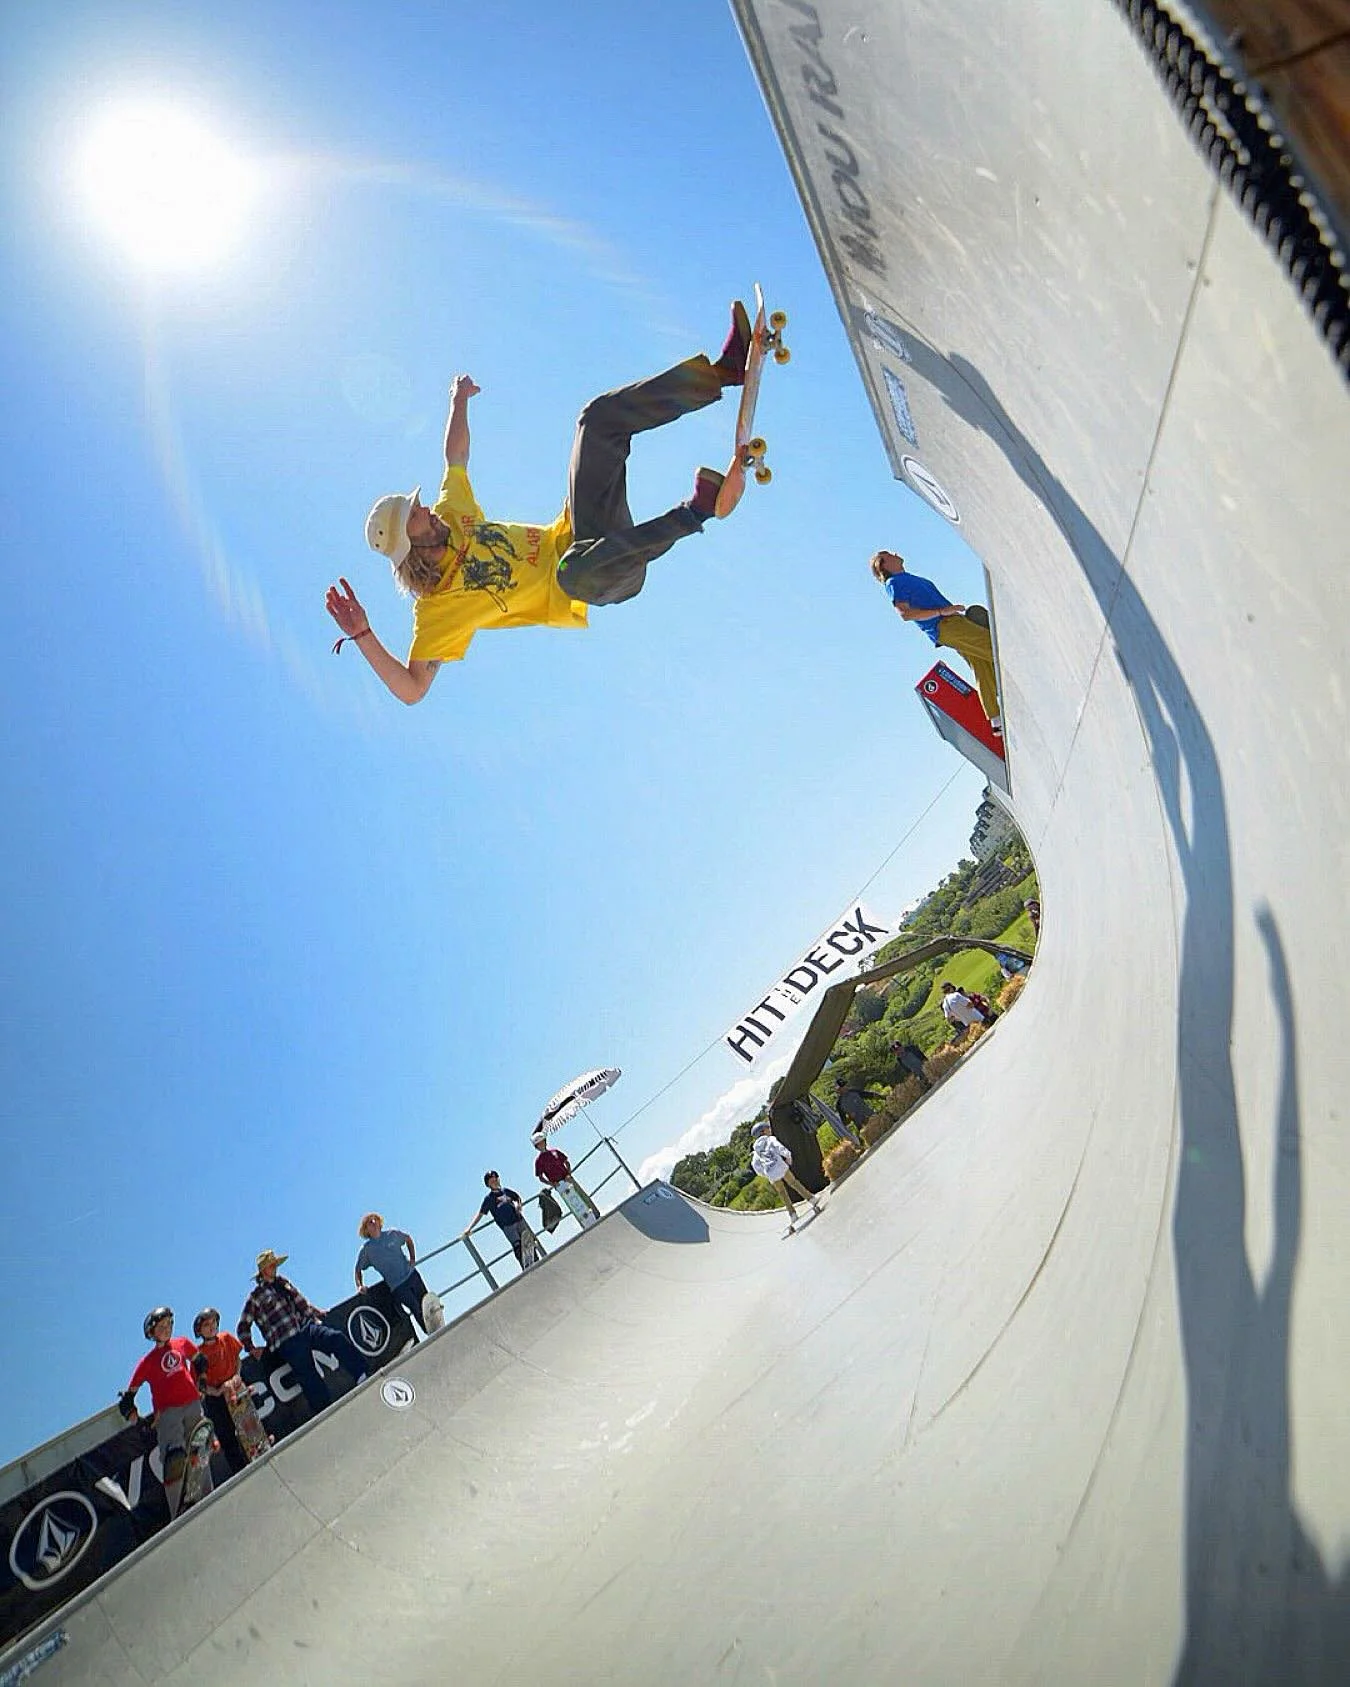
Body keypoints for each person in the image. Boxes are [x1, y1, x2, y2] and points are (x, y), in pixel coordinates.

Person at [324, 302, 757, 704]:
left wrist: (457, 402)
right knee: (572, 570)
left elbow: (456, 458)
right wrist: (363, 634)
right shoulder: (437, 612)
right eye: (415, 516)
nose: (427, 511)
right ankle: (700, 509)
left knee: (595, 420)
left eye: (418, 505)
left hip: (584, 526)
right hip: (601, 578)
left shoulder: (453, 516)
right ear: (409, 546)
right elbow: (412, 689)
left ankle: (721, 373)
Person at [870, 550, 1002, 730]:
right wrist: (942, 612)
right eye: (889, 554)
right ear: (884, 565)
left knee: (980, 664)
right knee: (993, 646)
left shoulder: (906, 578)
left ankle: (995, 719)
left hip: (951, 624)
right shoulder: (894, 582)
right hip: (946, 625)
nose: (894, 553)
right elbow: (905, 614)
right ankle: (1019, 667)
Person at [236, 1249, 370, 1420]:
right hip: (286, 1340)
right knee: (307, 1373)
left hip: (304, 1328)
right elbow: (243, 1326)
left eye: (275, 1264)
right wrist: (251, 1348)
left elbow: (301, 1302)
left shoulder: (283, 1283)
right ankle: (326, 1411)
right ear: (263, 1271)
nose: (274, 1267)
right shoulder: (256, 1297)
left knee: (334, 1337)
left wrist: (316, 1312)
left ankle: (361, 1373)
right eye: (271, 1265)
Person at [116, 1307, 213, 1515]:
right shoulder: (147, 1362)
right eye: (161, 1327)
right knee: (174, 1459)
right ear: (152, 1333)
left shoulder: (182, 1343)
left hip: (192, 1403)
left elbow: (201, 1362)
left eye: (169, 1325)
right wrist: (137, 1419)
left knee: (200, 1448)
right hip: (168, 1413)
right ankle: (177, 1509)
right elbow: (127, 1399)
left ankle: (207, 1493)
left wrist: (202, 1383)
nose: (166, 1329)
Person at [354, 1212, 434, 1335]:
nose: (374, 1223)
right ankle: (432, 1335)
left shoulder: (392, 1234)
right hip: (398, 1286)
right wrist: (360, 1285)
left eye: (375, 1220)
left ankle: (441, 1327)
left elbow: (408, 1239)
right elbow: (357, 1269)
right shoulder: (367, 1250)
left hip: (412, 1275)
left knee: (427, 1303)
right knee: (416, 1309)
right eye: (370, 1222)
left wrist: (412, 1258)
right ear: (366, 1229)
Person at [191, 1308, 249, 1477]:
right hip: (216, 1398)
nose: (211, 1327)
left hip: (235, 1387)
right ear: (199, 1331)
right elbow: (198, 1383)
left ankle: (258, 1449)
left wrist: (237, 1376)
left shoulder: (226, 1338)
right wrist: (215, 1391)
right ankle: (240, 1469)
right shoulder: (198, 1354)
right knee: (227, 1435)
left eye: (213, 1323)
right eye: (206, 1325)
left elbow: (237, 1358)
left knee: (247, 1423)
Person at [750, 1121, 822, 1233]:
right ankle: (812, 1199)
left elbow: (756, 1166)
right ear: (763, 1132)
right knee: (794, 1183)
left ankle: (792, 1214)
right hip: (780, 1167)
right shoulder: (770, 1139)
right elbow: (779, 1148)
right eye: (768, 1128)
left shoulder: (756, 1151)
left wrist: (765, 1173)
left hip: (771, 1174)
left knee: (782, 1193)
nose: (770, 1130)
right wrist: (788, 1156)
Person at [465, 1171, 541, 1270]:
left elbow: (517, 1197)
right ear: (488, 1185)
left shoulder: (506, 1191)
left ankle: (537, 1261)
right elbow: (480, 1214)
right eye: (492, 1181)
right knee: (518, 1246)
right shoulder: (489, 1199)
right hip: (508, 1226)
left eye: (496, 1179)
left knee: (528, 1241)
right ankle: (525, 1266)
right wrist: (469, 1228)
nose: (495, 1182)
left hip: (519, 1220)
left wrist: (519, 1205)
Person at [531, 1132, 599, 1228]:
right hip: (559, 1184)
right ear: (536, 1147)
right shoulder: (539, 1161)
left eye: (542, 1142)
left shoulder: (554, 1151)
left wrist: (568, 1174)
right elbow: (540, 1177)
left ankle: (596, 1214)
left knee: (582, 1196)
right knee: (573, 1203)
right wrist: (552, 1184)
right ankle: (585, 1224)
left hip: (568, 1179)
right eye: (538, 1144)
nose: (541, 1145)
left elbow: (566, 1162)